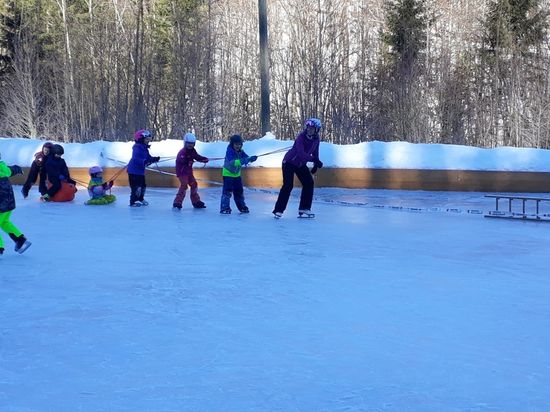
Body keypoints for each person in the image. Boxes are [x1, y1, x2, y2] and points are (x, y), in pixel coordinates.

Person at [272, 118, 323, 218]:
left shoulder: (316, 140)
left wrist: (315, 165)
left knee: (309, 182)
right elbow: (301, 154)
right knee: (288, 185)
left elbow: (315, 153)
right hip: (289, 162)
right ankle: (278, 210)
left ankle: (304, 208)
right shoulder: (301, 137)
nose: (309, 129)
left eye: (312, 128)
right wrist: (314, 160)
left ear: (317, 130)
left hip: (299, 164)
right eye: (308, 127)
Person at [0, 153, 31, 255]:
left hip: (1, 203)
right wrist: (18, 168)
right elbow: (12, 170)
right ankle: (20, 240)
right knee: (4, 222)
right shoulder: (3, 168)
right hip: (8, 203)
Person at [220, 134, 257, 214]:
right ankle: (224, 208)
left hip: (237, 175)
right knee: (227, 192)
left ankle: (242, 207)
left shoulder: (241, 152)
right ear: (232, 144)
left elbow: (246, 158)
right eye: (236, 144)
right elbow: (233, 162)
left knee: (239, 192)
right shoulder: (229, 151)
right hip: (228, 174)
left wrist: (251, 159)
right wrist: (245, 160)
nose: (238, 146)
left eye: (240, 144)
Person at [173, 132, 209, 210]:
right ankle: (177, 202)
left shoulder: (193, 151)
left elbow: (196, 156)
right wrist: (188, 160)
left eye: (192, 144)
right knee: (184, 185)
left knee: (194, 185)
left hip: (189, 172)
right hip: (182, 173)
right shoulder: (182, 152)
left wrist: (204, 159)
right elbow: (182, 160)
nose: (191, 145)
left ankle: (196, 201)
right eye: (189, 143)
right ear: (185, 143)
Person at [127, 129, 160, 207]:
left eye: (149, 139)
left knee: (143, 186)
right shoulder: (137, 147)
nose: (148, 141)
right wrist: (144, 162)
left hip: (140, 172)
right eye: (146, 139)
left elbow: (148, 158)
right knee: (136, 187)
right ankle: (133, 201)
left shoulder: (144, 148)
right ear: (141, 139)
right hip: (133, 172)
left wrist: (154, 159)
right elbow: (136, 158)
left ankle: (140, 198)